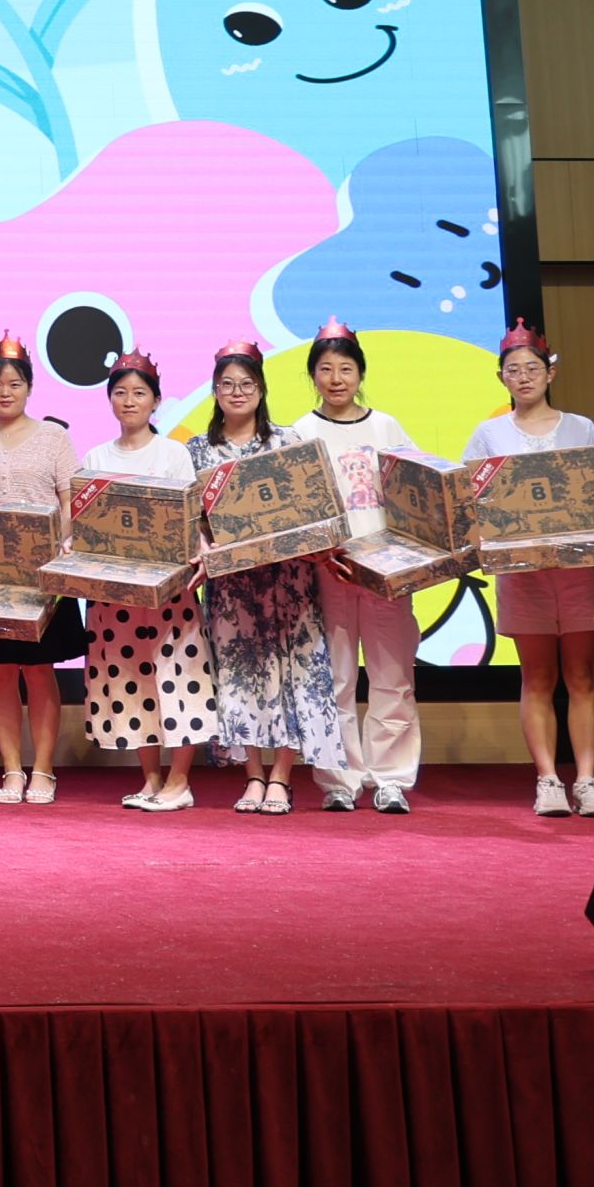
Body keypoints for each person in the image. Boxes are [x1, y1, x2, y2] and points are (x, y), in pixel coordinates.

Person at [188, 342, 345, 816]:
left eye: (247, 384)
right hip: (233, 587)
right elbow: (192, 520)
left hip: (288, 580)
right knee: (241, 676)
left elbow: (315, 506)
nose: (237, 392)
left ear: (261, 390)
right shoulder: (197, 450)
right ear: (215, 391)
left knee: (292, 674)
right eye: (227, 384)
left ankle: (281, 778)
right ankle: (253, 775)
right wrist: (203, 544)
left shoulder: (287, 441)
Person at [467, 322, 594, 818]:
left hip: (579, 569)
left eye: (533, 368)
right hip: (521, 572)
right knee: (537, 676)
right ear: (501, 378)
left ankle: (588, 780)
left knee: (582, 675)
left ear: (551, 372)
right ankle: (548, 779)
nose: (524, 377)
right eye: (513, 370)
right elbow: (472, 499)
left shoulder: (581, 428)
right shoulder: (488, 434)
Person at [288, 319, 422, 813]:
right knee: (335, 678)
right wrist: (318, 552)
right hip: (328, 570)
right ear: (313, 375)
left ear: (360, 373)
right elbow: (295, 507)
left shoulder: (386, 426)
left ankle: (391, 778)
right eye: (325, 369)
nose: (336, 379)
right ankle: (339, 780)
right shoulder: (300, 432)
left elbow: (414, 493)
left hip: (386, 571)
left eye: (345, 368)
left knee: (392, 674)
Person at [0, 331, 86, 806]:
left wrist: (57, 545)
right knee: (0, 671)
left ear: (29, 387)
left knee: (40, 670)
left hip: (44, 574)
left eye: (14, 383)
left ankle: (43, 769)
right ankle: (11, 769)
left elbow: (71, 501)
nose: (5, 392)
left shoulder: (54, 437)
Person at [79, 354, 212, 811]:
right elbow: (87, 525)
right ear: (109, 399)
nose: (129, 401)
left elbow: (190, 520)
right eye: (120, 392)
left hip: (170, 594)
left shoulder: (174, 454)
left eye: (139, 393)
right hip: (115, 597)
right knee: (132, 682)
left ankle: (180, 781)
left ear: (156, 400)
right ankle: (152, 779)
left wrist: (198, 552)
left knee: (178, 681)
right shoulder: (95, 457)